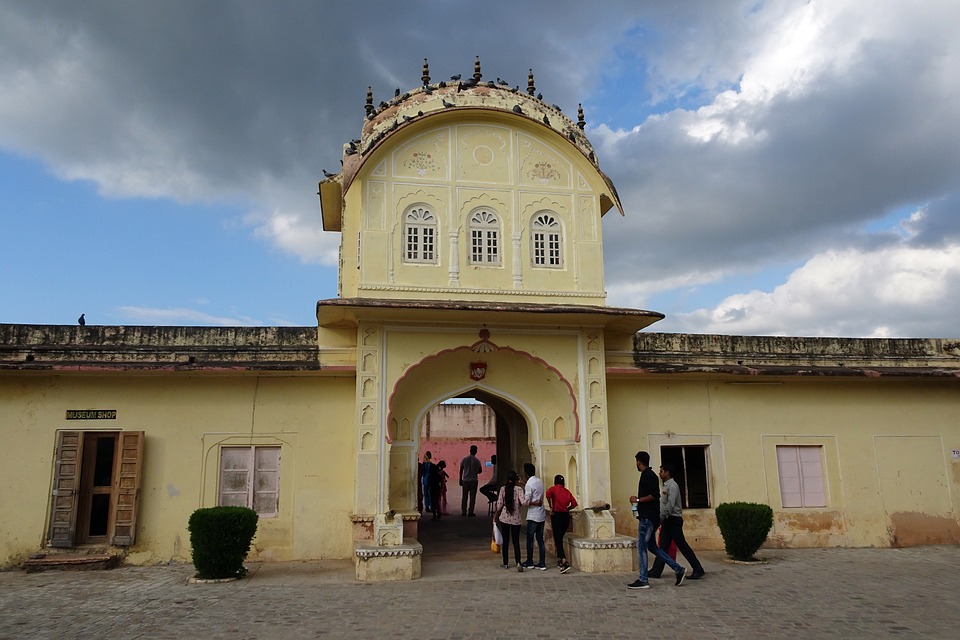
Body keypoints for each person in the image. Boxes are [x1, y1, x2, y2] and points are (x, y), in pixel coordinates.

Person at [628, 450, 686, 589]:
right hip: (649, 516)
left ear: (639, 462)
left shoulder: (648, 476)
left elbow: (654, 495)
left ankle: (643, 579)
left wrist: (637, 500)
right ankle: (678, 569)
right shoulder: (647, 475)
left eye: (636, 462)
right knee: (652, 546)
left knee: (641, 546)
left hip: (648, 518)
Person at [649, 463, 705, 580]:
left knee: (682, 545)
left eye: (661, 471)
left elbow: (670, 505)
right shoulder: (666, 486)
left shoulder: (672, 486)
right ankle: (656, 570)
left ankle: (698, 568)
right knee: (663, 546)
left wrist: (661, 518)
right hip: (668, 521)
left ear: (667, 472)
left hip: (673, 520)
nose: (660, 473)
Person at [494, 470, 526, 572]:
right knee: (516, 542)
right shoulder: (519, 489)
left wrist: (495, 515)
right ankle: (518, 562)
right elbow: (524, 502)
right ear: (516, 480)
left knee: (506, 541)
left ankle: (505, 562)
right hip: (516, 519)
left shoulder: (503, 489)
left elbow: (499, 505)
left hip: (504, 518)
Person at [545, 474, 577, 573]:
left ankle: (564, 560)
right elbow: (575, 503)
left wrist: (551, 506)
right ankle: (559, 559)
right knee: (559, 538)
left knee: (558, 539)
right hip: (566, 516)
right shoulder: (567, 491)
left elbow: (547, 494)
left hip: (557, 515)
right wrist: (568, 509)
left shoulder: (553, 489)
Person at [521, 462, 547, 570]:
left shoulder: (529, 485)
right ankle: (542, 562)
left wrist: (529, 502)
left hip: (533, 515)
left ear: (526, 474)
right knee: (540, 539)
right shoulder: (539, 481)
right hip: (541, 514)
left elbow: (526, 501)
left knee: (530, 539)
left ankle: (530, 561)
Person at [459, 445, 483, 517]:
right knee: (472, 496)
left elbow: (461, 469)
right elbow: (480, 470)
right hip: (474, 480)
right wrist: (476, 471)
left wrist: (460, 479)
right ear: (476, 451)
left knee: (464, 496)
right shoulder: (477, 460)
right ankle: (470, 511)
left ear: (470, 450)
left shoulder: (464, 459)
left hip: (465, 480)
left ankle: (463, 511)